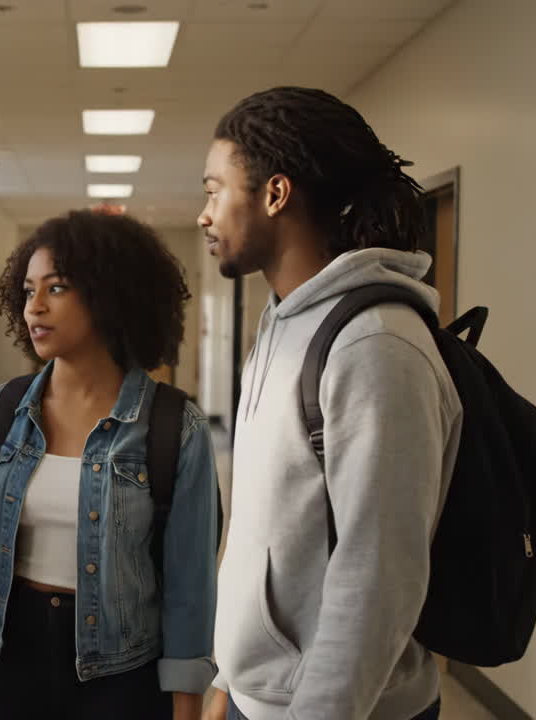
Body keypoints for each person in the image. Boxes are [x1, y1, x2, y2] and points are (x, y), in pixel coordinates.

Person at [197, 87, 461, 720]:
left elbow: (379, 577)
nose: (204, 214)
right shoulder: (282, 326)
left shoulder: (375, 347)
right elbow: (270, 520)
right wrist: (228, 678)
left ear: (275, 194)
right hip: (262, 696)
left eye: (214, 189)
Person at [0, 210, 220, 720]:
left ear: (109, 296)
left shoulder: (173, 427)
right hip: (16, 663)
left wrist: (186, 710)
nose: (35, 308)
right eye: (28, 291)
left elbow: (190, 586)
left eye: (57, 288)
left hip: (124, 679)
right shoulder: (7, 411)